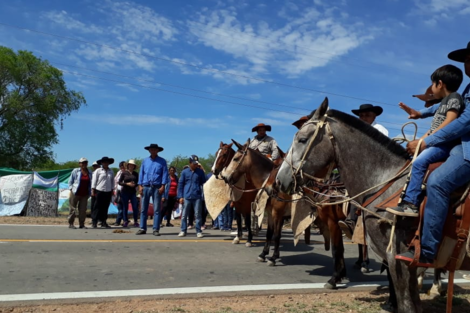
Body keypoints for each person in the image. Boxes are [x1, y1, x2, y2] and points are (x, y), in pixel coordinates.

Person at [395, 41, 470, 266]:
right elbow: (441, 108)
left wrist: (427, 140)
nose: (467, 63)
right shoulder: (467, 90)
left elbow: (465, 122)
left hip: (467, 149)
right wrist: (420, 113)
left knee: (438, 182)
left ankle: (428, 251)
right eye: (466, 59)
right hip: (458, 145)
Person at [388, 65, 464, 217]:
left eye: (432, 84)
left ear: (440, 84)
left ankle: (411, 204)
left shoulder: (455, 98)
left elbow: (450, 120)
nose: (431, 88)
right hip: (435, 141)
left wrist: (429, 139)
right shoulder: (443, 102)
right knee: (411, 159)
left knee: (419, 162)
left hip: (444, 144)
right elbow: (426, 117)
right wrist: (413, 115)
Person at [339, 104, 388, 238]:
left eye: (367, 115)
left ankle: (351, 221)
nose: (363, 118)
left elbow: (380, 151)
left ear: (374, 116)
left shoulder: (379, 130)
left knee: (358, 189)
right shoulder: (356, 131)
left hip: (376, 168)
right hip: (359, 168)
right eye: (361, 116)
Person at [137, 143, 169, 236]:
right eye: (152, 149)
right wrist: (140, 185)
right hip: (146, 186)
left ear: (158, 150)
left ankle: (156, 229)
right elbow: (141, 173)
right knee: (143, 209)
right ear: (149, 150)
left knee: (157, 209)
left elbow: (164, 174)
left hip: (157, 187)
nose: (153, 151)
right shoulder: (145, 161)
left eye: (155, 149)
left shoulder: (162, 161)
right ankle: (142, 228)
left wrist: (163, 186)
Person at [178, 155, 207, 238]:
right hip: (186, 196)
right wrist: (180, 196)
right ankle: (183, 230)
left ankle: (198, 231)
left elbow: (204, 183)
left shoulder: (200, 172)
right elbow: (181, 185)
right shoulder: (184, 172)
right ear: (190, 163)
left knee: (198, 214)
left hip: (197, 196)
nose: (195, 165)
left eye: (196, 163)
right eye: (194, 163)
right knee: (184, 215)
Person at [67, 158, 92, 229]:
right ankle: (71, 223)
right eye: (82, 163)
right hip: (75, 192)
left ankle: (82, 224)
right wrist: (71, 189)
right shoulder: (76, 171)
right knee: (72, 209)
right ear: (79, 164)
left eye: (85, 163)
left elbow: (91, 182)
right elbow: (70, 181)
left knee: (83, 210)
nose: (84, 164)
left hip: (85, 194)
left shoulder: (89, 172)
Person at [91, 156, 115, 228]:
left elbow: (112, 181)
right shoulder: (98, 171)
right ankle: (94, 221)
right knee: (97, 207)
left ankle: (103, 221)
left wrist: (112, 190)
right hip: (99, 190)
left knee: (105, 207)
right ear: (101, 163)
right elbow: (94, 180)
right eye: (104, 162)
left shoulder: (111, 171)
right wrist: (93, 190)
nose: (105, 163)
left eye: (107, 162)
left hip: (108, 191)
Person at [119, 160, 139, 228]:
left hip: (133, 192)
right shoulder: (124, 173)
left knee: (135, 207)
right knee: (125, 207)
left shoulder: (136, 174)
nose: (131, 166)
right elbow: (119, 182)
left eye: (132, 165)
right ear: (128, 165)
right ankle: (125, 221)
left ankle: (136, 221)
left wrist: (134, 185)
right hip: (125, 191)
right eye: (130, 165)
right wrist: (127, 184)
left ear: (134, 166)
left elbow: (138, 182)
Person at [113, 161, 126, 226]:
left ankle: (118, 221)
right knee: (120, 207)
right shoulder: (118, 173)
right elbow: (115, 182)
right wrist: (114, 190)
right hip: (118, 191)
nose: (122, 168)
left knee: (123, 208)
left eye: (124, 166)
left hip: (125, 192)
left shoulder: (127, 173)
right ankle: (124, 221)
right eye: (121, 166)